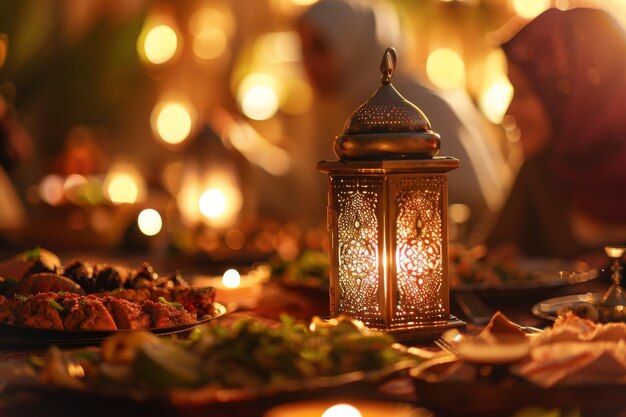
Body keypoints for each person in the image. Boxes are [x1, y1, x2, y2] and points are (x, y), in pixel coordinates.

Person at [296, 0, 511, 242]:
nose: (309, 63)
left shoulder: (425, 107)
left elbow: (476, 206)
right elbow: (303, 195)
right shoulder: (324, 112)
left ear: (357, 43)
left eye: (320, 47)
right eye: (303, 50)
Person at [485, 7, 626, 260]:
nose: (507, 112)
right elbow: (490, 263)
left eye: (523, 93)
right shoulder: (541, 170)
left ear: (579, 99)